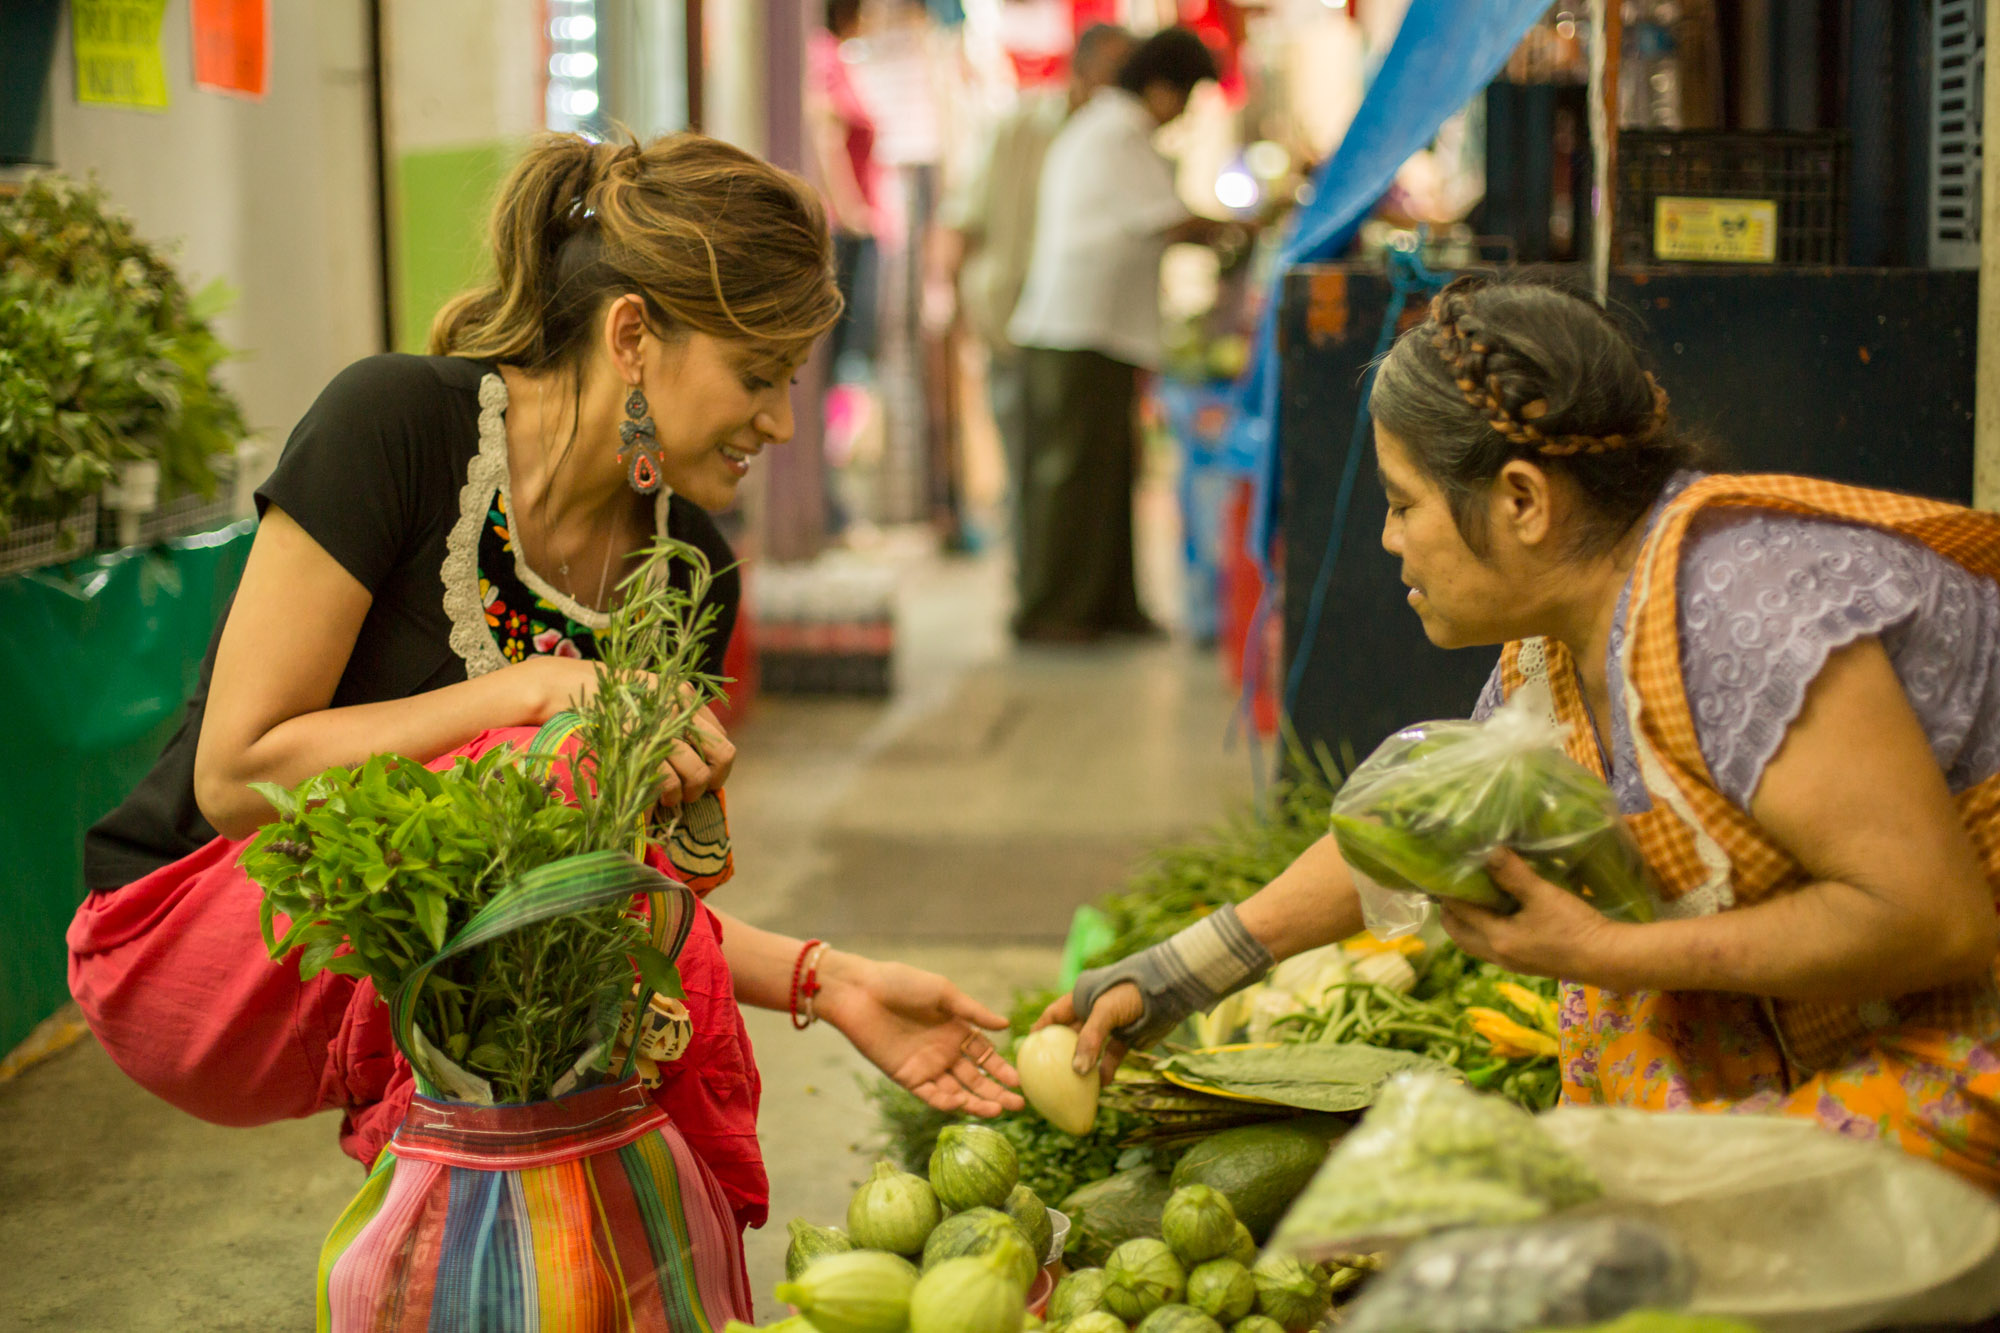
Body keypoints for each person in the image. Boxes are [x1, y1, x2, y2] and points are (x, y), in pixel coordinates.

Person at [69, 133, 1023, 1247]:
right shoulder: (397, 426)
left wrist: (827, 978)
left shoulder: (690, 570)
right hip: (189, 942)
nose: (780, 422)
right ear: (632, 336)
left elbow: (614, 902)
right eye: (756, 376)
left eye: (791, 383)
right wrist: (529, 692)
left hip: (391, 962)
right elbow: (238, 776)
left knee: (604, 976)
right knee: (563, 763)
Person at [1043, 274, 2000, 1188]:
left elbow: (1934, 922)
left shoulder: (1743, 615)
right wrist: (1181, 973)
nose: (1389, 539)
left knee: (1685, 1175)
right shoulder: (1567, 642)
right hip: (1874, 1002)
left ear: (1523, 501)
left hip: (1970, 1010)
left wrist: (1603, 951)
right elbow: (1419, 835)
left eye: (1402, 503)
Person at [1007, 26, 1245, 642]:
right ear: (1163, 86)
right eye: (1187, 95)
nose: (1186, 111)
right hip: (1077, 332)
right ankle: (1054, 614)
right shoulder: (1117, 131)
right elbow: (1171, 221)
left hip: (1096, 332)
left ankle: (1106, 608)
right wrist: (1250, 221)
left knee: (1107, 480)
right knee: (1072, 481)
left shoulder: (1113, 129)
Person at [933, 23, 1135, 564]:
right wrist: (950, 311)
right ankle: (1033, 595)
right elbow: (962, 219)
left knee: (1069, 470)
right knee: (1027, 463)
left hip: (1077, 326)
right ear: (1085, 68)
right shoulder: (1019, 127)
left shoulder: (1114, 133)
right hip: (1012, 318)